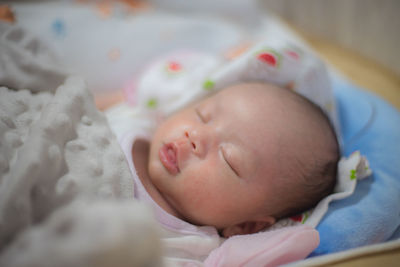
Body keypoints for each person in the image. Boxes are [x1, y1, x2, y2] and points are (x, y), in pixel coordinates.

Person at [107, 81, 339, 238]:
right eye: (202, 115)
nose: (195, 136)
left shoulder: (186, 249)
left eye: (228, 159)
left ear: (246, 227)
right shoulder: (131, 119)